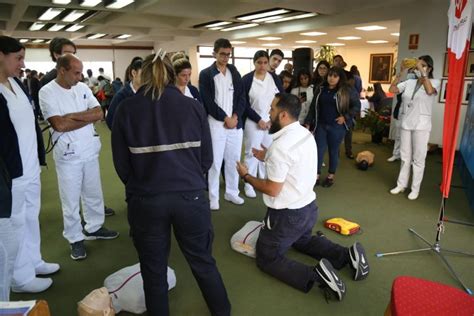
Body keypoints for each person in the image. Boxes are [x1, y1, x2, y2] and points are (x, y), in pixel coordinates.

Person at [111, 52, 231, 316]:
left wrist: (143, 185)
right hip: (191, 198)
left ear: (140, 75)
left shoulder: (126, 109)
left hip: (146, 200)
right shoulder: (193, 107)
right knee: (203, 262)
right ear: (171, 75)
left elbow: (122, 165)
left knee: (153, 270)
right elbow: (206, 159)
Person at [236, 93, 369, 302]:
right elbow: (291, 159)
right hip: (308, 210)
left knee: (267, 258)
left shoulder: (280, 147)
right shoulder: (304, 133)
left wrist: (246, 176)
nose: (268, 114)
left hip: (286, 217)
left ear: (283, 115)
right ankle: (347, 255)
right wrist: (267, 156)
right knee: (302, 240)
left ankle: (318, 276)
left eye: (272, 110)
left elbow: (272, 189)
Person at [39, 54, 119, 260]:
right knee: (71, 200)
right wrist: (83, 116)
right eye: (76, 72)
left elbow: (99, 113)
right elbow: (59, 125)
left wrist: (72, 116)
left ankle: (94, 227)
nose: (80, 76)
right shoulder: (47, 92)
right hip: (68, 155)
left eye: (81, 72)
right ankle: (75, 238)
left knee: (93, 193)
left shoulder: (83, 88)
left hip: (89, 150)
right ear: (61, 70)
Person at [0, 36, 58, 294]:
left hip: (30, 166)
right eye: (18, 58)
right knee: (16, 223)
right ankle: (20, 278)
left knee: (31, 217)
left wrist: (38, 158)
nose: (22, 64)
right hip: (11, 173)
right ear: (0, 55)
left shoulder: (16, 83)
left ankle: (34, 261)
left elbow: (30, 124)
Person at [199, 38, 246, 210]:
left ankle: (232, 192)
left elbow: (242, 97)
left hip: (235, 123)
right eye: (222, 54)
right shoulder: (206, 74)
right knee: (215, 162)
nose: (226, 58)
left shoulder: (234, 71)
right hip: (216, 124)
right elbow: (208, 101)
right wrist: (225, 118)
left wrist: (235, 116)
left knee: (233, 160)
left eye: (228, 54)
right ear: (214, 53)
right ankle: (213, 197)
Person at [389, 55, 440, 200]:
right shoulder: (409, 82)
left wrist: (422, 73)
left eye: (423, 65)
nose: (419, 67)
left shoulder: (434, 82)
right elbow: (392, 89)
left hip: (421, 125)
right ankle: (401, 184)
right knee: (405, 156)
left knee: (418, 158)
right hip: (407, 122)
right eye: (418, 64)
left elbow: (430, 91)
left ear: (429, 68)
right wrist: (401, 72)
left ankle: (415, 188)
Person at [304, 67, 359, 187]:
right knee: (318, 151)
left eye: (335, 76)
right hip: (321, 125)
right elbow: (313, 107)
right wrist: (308, 121)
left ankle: (330, 176)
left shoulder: (347, 90)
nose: (331, 78)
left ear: (340, 78)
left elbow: (356, 106)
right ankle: (316, 175)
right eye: (330, 75)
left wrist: (345, 117)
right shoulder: (321, 88)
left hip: (337, 127)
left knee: (333, 151)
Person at [242, 50, 284, 198]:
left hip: (270, 121)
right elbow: (244, 104)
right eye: (259, 62)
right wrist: (258, 120)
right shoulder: (247, 79)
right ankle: (249, 183)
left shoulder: (273, 78)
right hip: (253, 121)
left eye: (265, 62)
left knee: (269, 152)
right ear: (254, 63)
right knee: (251, 153)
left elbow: (280, 98)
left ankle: (265, 180)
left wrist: (272, 120)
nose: (262, 65)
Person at [106, 58, 143, 129]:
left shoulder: (145, 93)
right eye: (143, 74)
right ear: (134, 73)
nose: (147, 78)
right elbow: (110, 120)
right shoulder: (121, 96)